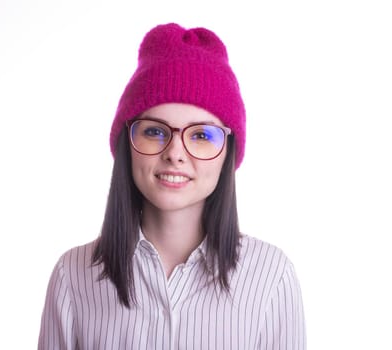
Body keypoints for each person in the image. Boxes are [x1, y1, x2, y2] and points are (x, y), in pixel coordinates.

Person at [38, 23, 306, 350]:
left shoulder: (271, 277)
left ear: (227, 152)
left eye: (201, 136)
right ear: (127, 142)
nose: (175, 154)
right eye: (154, 131)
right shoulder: (73, 276)